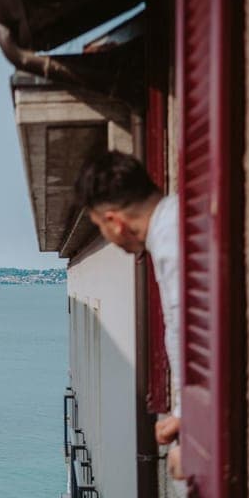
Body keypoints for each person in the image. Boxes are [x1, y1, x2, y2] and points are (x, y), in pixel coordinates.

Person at [73, 151, 184, 480]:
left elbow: (200, 338)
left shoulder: (172, 244)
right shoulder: (178, 223)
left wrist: (194, 440)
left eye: (98, 227)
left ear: (114, 222)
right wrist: (184, 416)